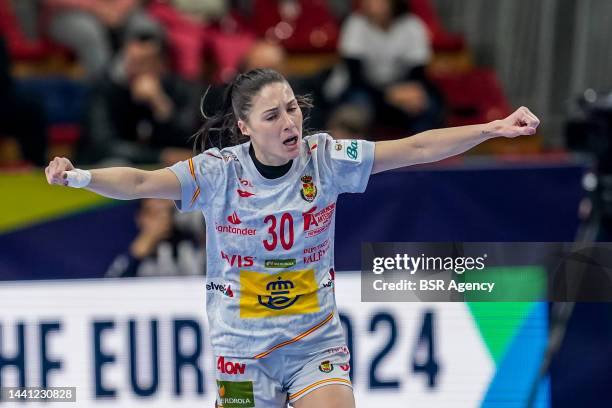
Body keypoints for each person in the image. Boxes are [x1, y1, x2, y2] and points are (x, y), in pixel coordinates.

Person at [45, 68, 540, 407]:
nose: (290, 122)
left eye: (291, 108)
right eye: (273, 116)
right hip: (238, 352)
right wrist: (80, 176)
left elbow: (416, 146)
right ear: (244, 128)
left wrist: (492, 128)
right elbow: (139, 182)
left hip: (312, 341)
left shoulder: (325, 157)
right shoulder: (218, 173)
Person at [79, 21, 200, 165]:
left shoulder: (179, 89)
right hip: (113, 167)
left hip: (162, 171)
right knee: (116, 164)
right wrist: (158, 156)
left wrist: (160, 103)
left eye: (143, 62)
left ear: (162, 64)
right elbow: (104, 145)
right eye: (131, 61)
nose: (134, 70)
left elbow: (189, 141)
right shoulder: (106, 89)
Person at [332, 0, 443, 135]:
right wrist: (389, 94)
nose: (370, 3)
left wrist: (409, 93)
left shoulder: (412, 25)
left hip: (403, 89)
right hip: (365, 89)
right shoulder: (355, 24)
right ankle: (356, 153)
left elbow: (418, 73)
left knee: (427, 105)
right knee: (355, 109)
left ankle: (423, 151)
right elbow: (355, 77)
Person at [106, 198, 205, 277]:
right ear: (140, 217)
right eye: (154, 214)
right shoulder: (126, 246)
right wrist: (136, 254)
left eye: (168, 212)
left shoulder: (191, 241)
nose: (163, 218)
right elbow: (109, 285)